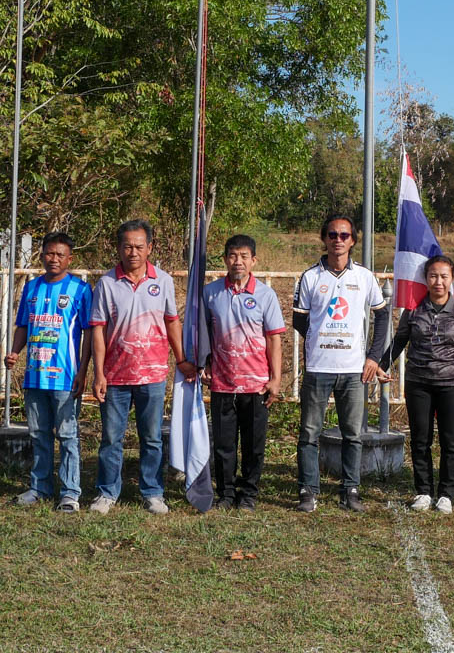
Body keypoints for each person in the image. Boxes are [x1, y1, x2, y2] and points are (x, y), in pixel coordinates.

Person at [90, 219, 192, 515]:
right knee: (111, 438)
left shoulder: (164, 281)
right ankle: (107, 492)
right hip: (115, 375)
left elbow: (172, 322)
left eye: (138, 246)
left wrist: (182, 359)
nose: (133, 252)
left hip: (153, 374)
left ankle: (152, 492)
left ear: (150, 248)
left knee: (152, 438)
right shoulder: (107, 283)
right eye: (127, 246)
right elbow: (98, 329)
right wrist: (99, 373)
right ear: (118, 248)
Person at [291, 214, 390, 513]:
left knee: (353, 434)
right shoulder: (310, 277)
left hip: (353, 369)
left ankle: (350, 490)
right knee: (309, 433)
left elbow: (382, 315)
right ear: (324, 238)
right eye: (332, 235)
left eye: (344, 235)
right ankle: (308, 491)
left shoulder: (364, 276)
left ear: (353, 241)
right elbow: (299, 319)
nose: (338, 240)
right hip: (318, 368)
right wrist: (321, 339)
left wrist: (373, 357)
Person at [4, 231, 93, 513]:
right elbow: (23, 326)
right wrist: (15, 352)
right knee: (38, 434)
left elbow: (89, 334)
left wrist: (83, 370)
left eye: (60, 255)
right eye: (49, 253)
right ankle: (40, 486)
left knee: (67, 436)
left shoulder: (80, 290)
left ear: (70, 259)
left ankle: (70, 492)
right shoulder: (31, 288)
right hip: (34, 375)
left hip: (65, 377)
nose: (54, 259)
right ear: (41, 255)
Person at [381, 254, 454, 514]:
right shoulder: (413, 310)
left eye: (444, 276)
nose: (438, 282)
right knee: (420, 439)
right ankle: (423, 491)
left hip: (453, 384)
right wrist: (382, 365)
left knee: (450, 440)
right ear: (426, 278)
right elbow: (400, 341)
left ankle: (446, 494)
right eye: (433, 276)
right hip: (418, 383)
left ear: (452, 279)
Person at [200, 234, 285, 511]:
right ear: (225, 259)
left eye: (244, 256)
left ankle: (248, 494)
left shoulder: (265, 295)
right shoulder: (211, 293)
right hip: (223, 382)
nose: (238, 262)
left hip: (256, 384)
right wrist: (205, 363)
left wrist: (275, 379)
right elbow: (204, 333)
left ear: (254, 261)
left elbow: (273, 338)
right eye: (233, 256)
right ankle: (225, 493)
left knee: (253, 443)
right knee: (224, 443)